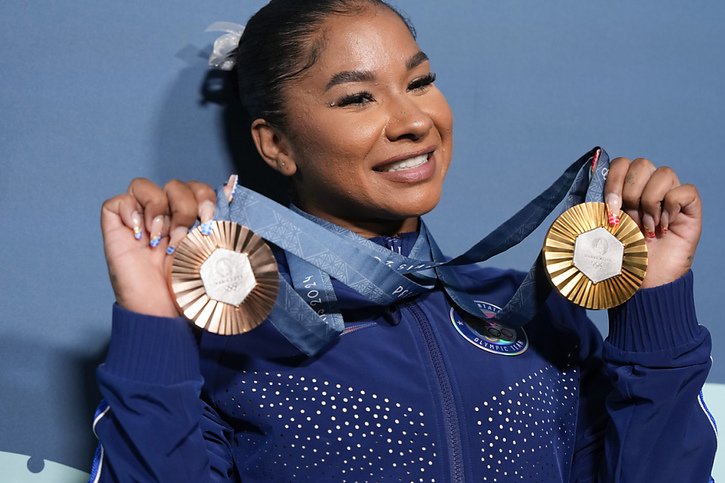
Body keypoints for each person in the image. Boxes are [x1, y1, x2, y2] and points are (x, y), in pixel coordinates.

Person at [91, 0, 716, 481]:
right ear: (275, 145)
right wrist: (154, 326)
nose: (415, 121)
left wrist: (652, 305)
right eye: (358, 97)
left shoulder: (537, 317)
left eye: (419, 82)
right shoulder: (232, 335)